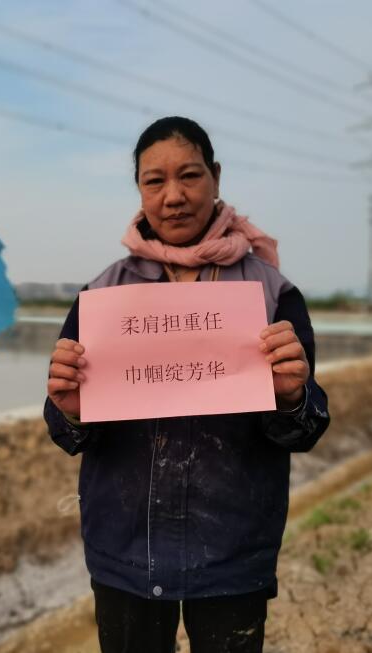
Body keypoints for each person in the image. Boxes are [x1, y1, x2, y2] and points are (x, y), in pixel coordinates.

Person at [44, 116, 330, 653]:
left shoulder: (270, 294)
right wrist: (72, 410)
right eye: (154, 181)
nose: (173, 196)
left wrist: (292, 398)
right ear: (139, 190)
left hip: (232, 551)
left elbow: (308, 427)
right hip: (126, 548)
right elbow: (67, 432)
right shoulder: (103, 296)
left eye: (190, 176)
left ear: (216, 177)